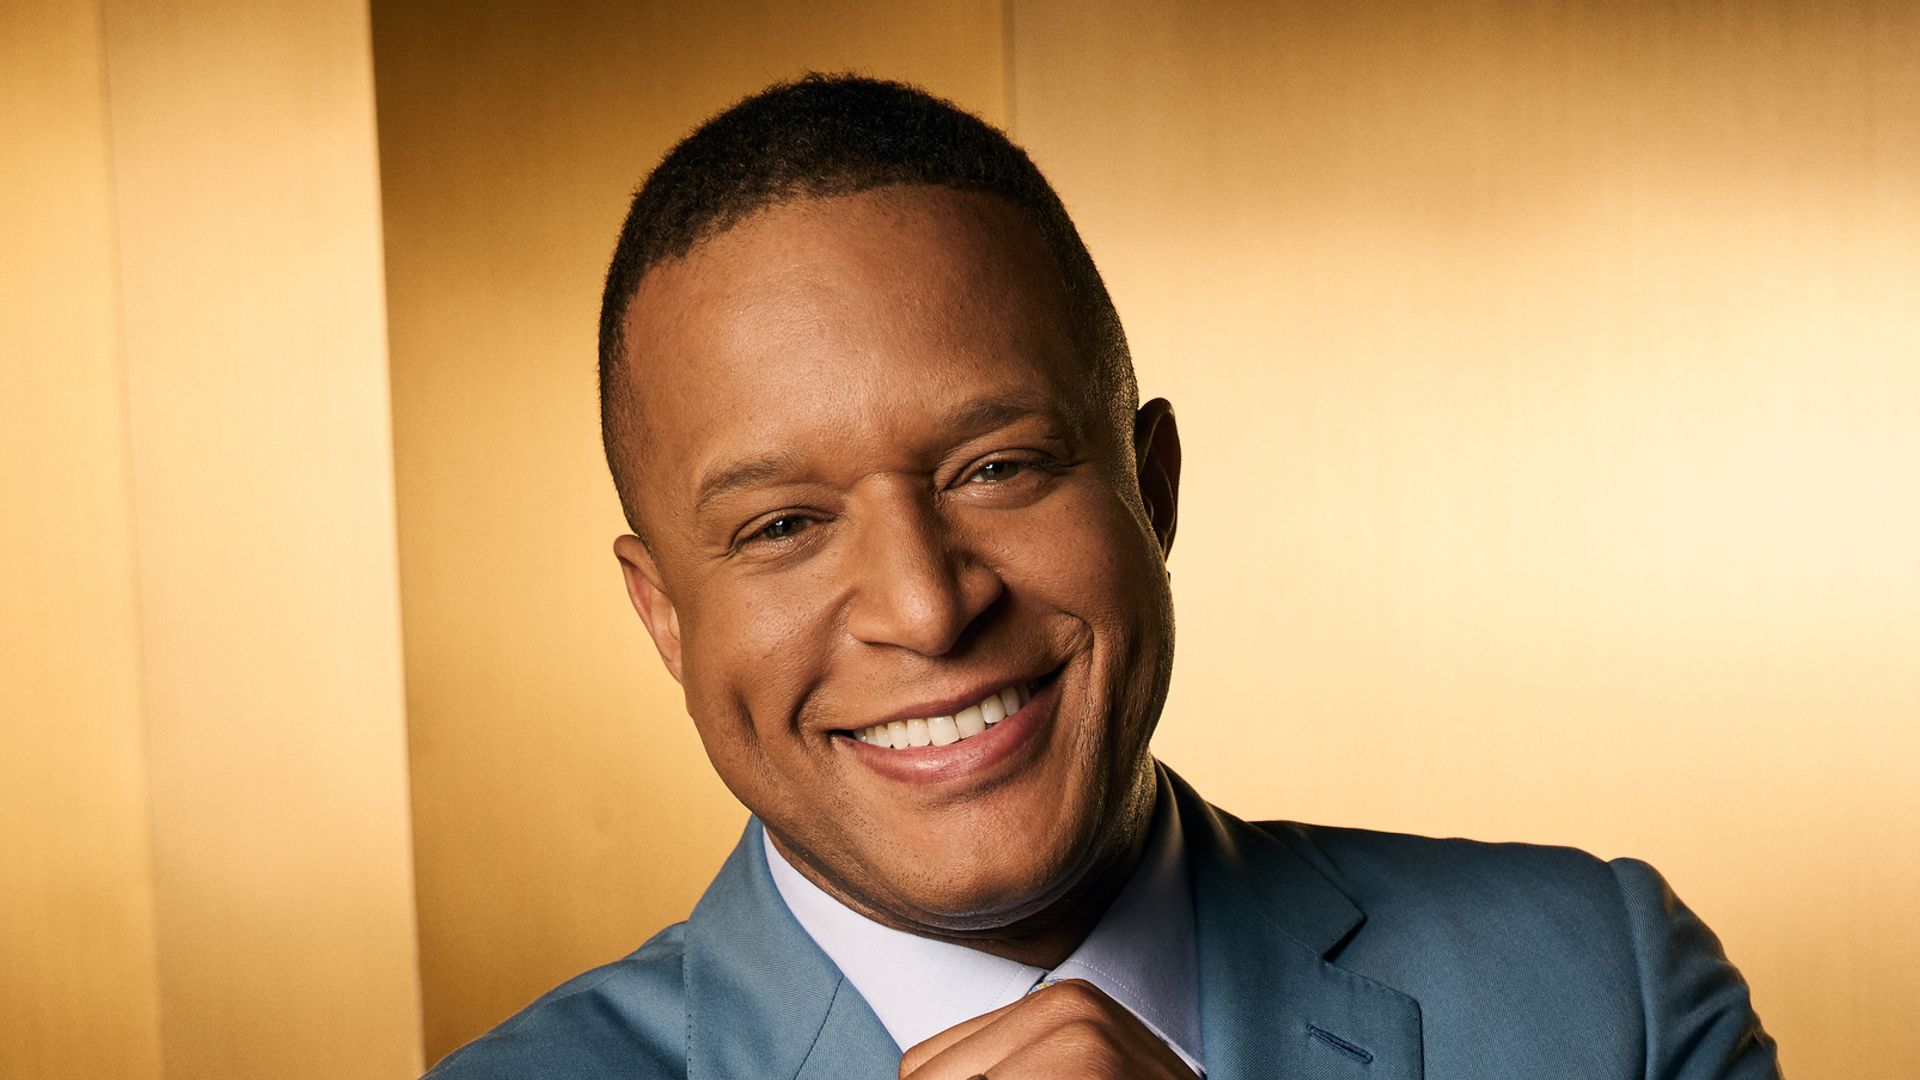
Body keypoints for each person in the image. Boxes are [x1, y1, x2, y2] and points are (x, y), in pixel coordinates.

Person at [424, 74, 1780, 1080]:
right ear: (663, 616)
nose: (925, 606)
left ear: (1155, 488)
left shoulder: (1608, 995)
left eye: (997, 468)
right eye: (782, 526)